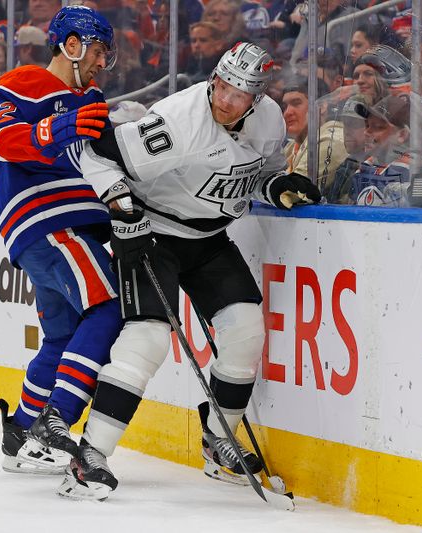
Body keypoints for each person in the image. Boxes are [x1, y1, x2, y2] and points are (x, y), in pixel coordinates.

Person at [58, 42, 321, 500]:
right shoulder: (178, 121)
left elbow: (256, 172)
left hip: (209, 238)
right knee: (147, 339)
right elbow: (94, 153)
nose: (225, 100)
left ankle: (218, 441)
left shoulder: (270, 120)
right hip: (154, 232)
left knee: (245, 332)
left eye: (239, 94)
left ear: (257, 98)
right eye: (221, 86)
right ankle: (89, 455)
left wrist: (276, 184)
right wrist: (121, 207)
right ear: (213, 78)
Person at [0, 5, 124, 476]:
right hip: (49, 220)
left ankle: (19, 432)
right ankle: (56, 419)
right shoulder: (24, 81)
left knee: (63, 335)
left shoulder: (93, 97)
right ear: (72, 46)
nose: (102, 62)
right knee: (109, 307)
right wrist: (51, 129)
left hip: (70, 227)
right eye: (97, 50)